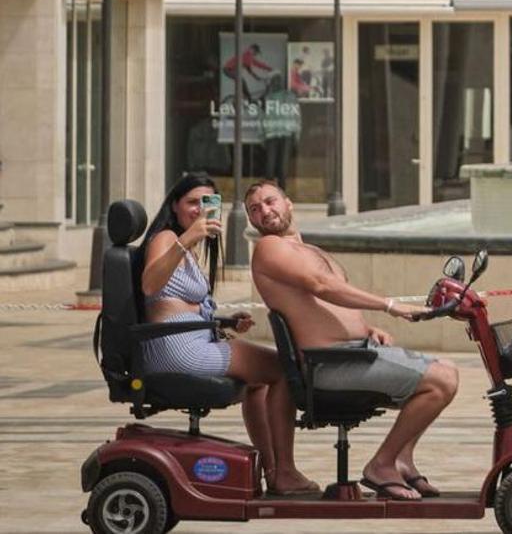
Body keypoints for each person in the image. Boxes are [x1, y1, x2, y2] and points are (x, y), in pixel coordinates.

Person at [245, 180, 459, 501]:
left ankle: (401, 459)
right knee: (442, 380)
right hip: (332, 364)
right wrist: (389, 306)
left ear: (289, 203)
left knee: (444, 372)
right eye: (254, 209)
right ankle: (382, 465)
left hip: (355, 353)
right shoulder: (270, 248)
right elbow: (319, 285)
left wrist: (367, 328)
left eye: (270, 201)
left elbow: (322, 304)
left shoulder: (308, 250)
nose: (264, 211)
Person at [138, 172, 318, 496]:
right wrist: (188, 238)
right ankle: (284, 471)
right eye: (191, 202)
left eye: (207, 202)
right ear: (175, 206)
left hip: (191, 339)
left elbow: (180, 305)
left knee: (260, 380)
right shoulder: (167, 239)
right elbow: (151, 285)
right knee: (281, 370)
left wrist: (223, 322)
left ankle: (273, 468)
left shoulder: (189, 249)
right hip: (178, 348)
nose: (198, 210)